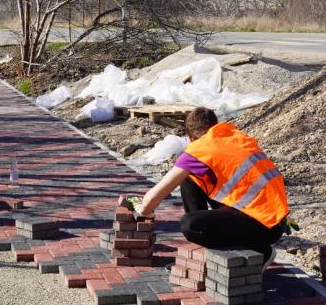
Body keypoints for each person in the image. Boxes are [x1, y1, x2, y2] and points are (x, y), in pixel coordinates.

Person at [123, 107, 290, 264]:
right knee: (190, 177)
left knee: (190, 225)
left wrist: (141, 208)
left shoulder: (198, 150)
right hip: (274, 220)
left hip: (263, 226)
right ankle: (206, 249)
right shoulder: (232, 135)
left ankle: (260, 251)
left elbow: (151, 200)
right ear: (214, 125)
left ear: (190, 137)